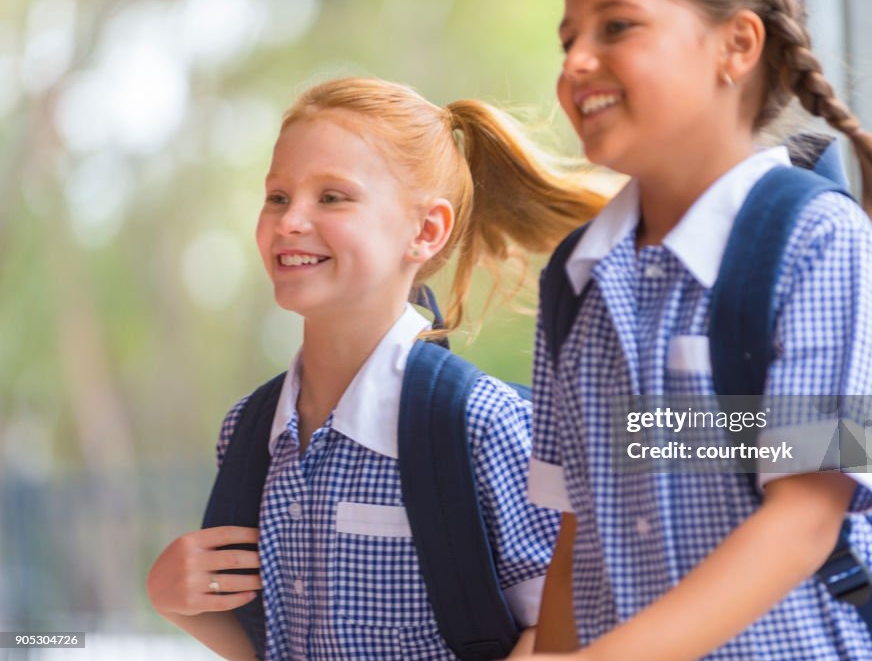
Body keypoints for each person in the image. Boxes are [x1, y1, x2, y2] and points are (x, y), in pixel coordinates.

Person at [525, 0, 872, 659]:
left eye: (617, 27)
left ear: (737, 44)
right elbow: (578, 533)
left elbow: (804, 520)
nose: (576, 61)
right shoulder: (575, 281)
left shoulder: (820, 239)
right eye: (569, 39)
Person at [146, 76, 605, 660]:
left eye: (332, 197)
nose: (290, 221)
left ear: (425, 231)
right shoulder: (247, 433)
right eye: (278, 197)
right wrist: (176, 604)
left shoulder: (487, 426)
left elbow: (564, 632)